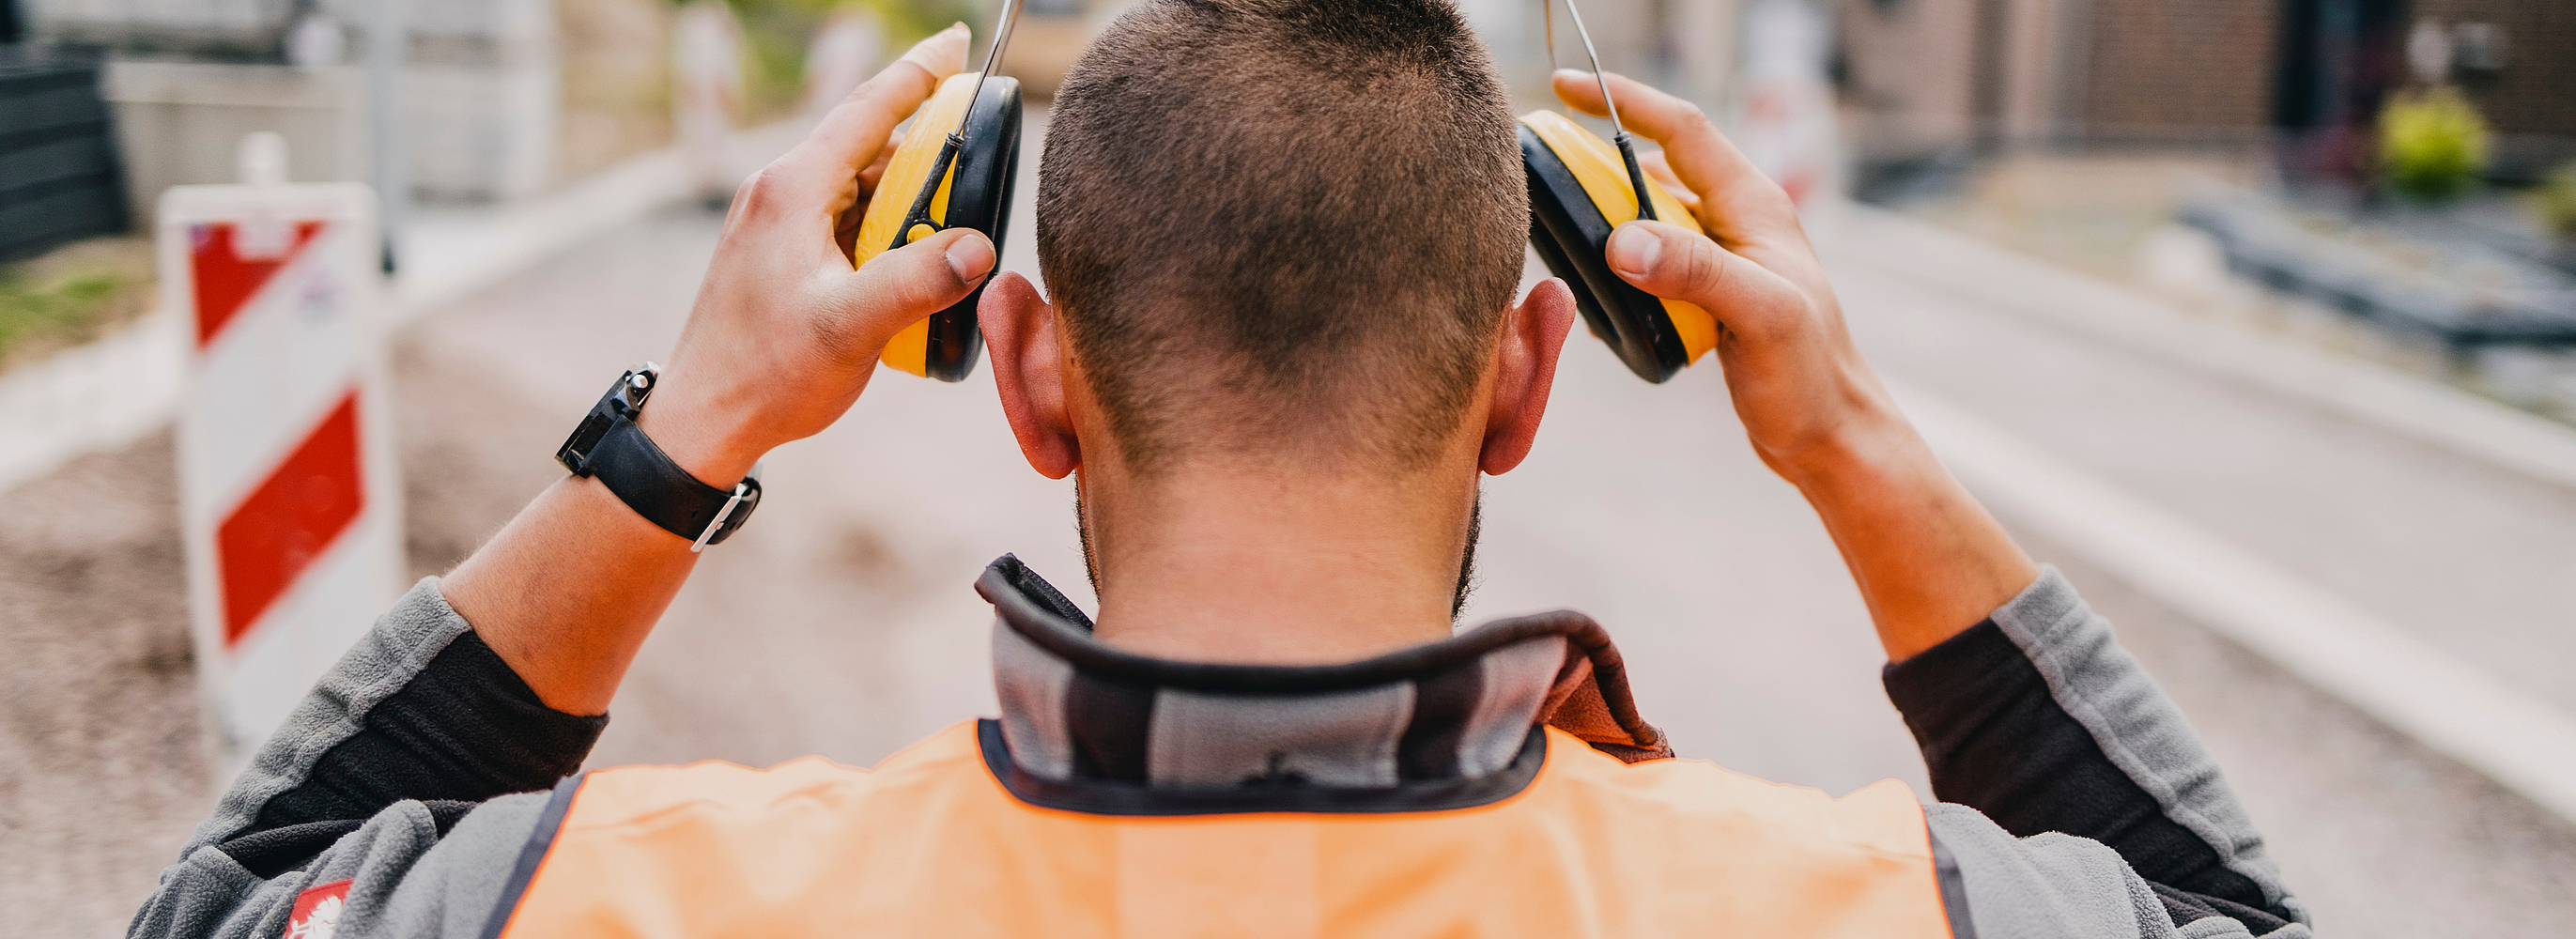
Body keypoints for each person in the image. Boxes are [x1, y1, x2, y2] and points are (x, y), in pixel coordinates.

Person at [130, 5, 2311, 938]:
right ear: (1530, 374)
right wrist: (1844, 439)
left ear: (1025, 371)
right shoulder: (1863, 906)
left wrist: (690, 424)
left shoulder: (657, 891)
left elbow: (229, 901)